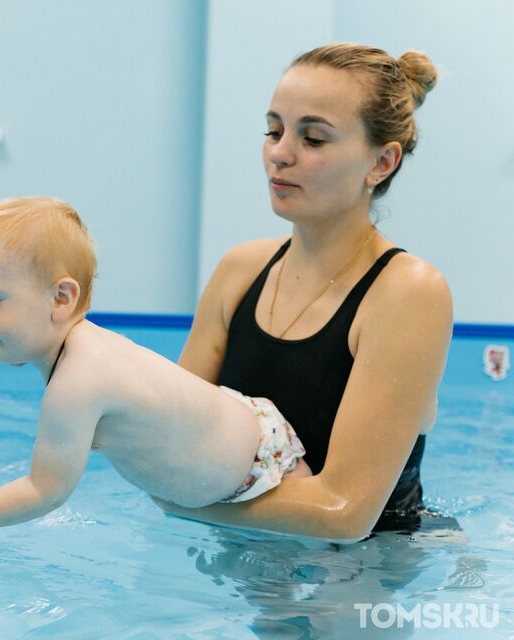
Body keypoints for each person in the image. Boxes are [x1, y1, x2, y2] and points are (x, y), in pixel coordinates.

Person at [0, 196, 312, 547]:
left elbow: (44, 491)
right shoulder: (80, 351)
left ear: (61, 299)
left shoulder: (78, 382)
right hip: (245, 439)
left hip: (261, 467)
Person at [157, 43, 453, 540]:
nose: (280, 153)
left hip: (366, 573)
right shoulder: (240, 271)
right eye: (273, 131)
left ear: (381, 162)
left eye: (313, 139)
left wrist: (178, 500)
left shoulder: (408, 293)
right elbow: (168, 433)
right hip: (247, 559)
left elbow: (345, 513)